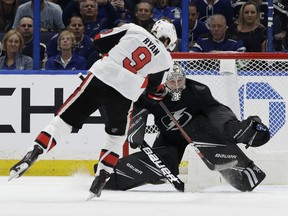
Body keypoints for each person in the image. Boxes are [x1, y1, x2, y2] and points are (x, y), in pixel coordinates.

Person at [8, 19, 178, 199]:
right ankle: (101, 177)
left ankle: (35, 151)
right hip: (126, 92)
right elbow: (154, 93)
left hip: (101, 76)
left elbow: (99, 40)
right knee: (116, 138)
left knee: (63, 121)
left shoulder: (134, 29)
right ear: (170, 40)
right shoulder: (166, 59)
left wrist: (117, 54)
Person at [101, 63, 270, 192]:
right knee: (164, 163)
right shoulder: (152, 93)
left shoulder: (197, 90)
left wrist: (232, 127)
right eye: (171, 82)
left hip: (199, 130)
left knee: (209, 132)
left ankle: (246, 171)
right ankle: (110, 175)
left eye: (179, 80)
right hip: (170, 136)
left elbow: (216, 111)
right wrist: (135, 129)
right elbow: (136, 109)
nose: (176, 85)